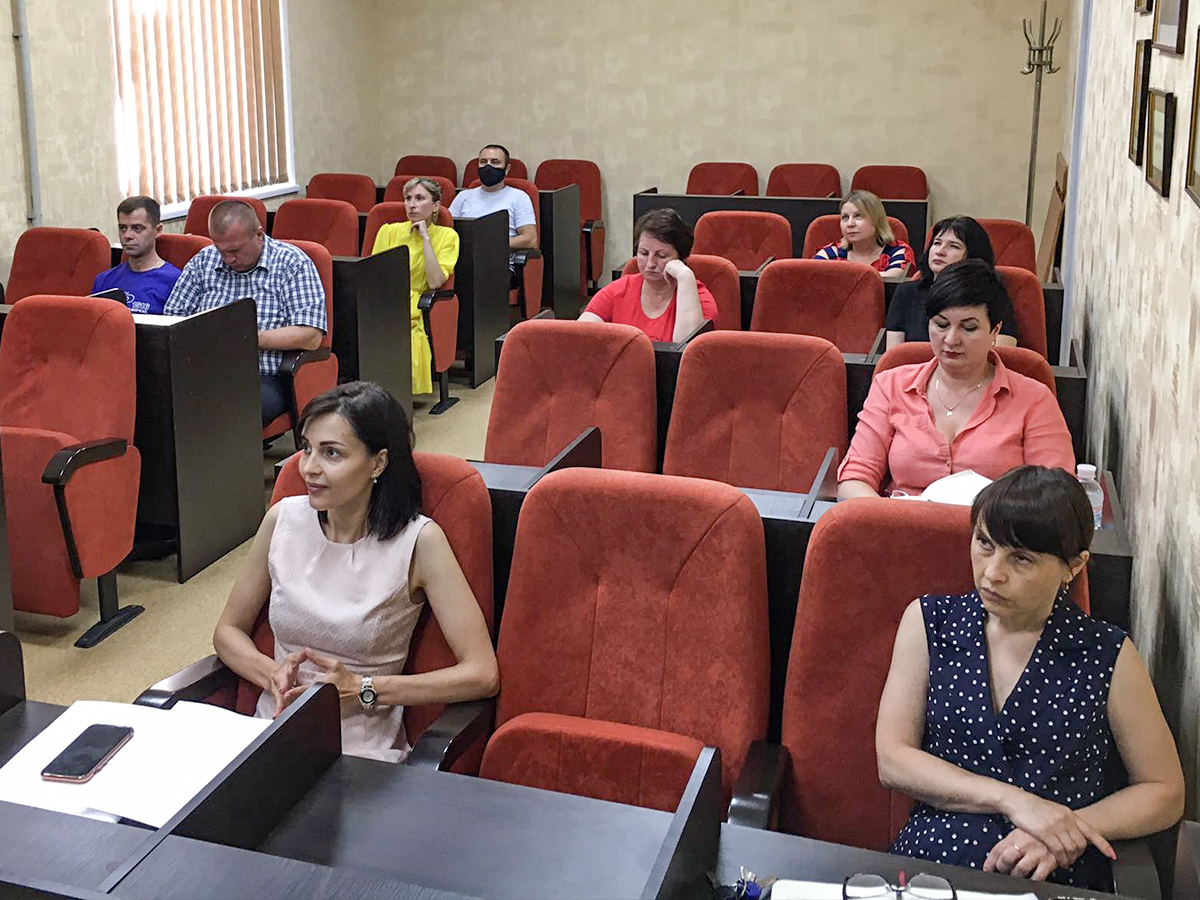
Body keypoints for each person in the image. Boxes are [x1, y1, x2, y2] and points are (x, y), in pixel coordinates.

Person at [876, 466, 1184, 888]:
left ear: (1073, 567)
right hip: (934, 861)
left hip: (1052, 870)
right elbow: (893, 759)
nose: (992, 573)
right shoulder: (931, 622)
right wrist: (1013, 801)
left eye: (1020, 558)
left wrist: (1067, 829)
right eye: (985, 543)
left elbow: (1165, 790)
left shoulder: (1107, 653)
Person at [212, 381, 499, 762]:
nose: (309, 468)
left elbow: (482, 673)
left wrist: (364, 689)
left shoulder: (419, 542)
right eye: (306, 448)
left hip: (362, 755)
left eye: (331, 453)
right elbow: (227, 631)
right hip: (270, 733)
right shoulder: (283, 520)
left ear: (377, 463)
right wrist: (272, 674)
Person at [837, 260, 1072, 499]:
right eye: (941, 325)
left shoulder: (1034, 398)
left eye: (968, 328)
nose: (951, 339)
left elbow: (1055, 495)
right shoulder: (891, 385)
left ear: (995, 331)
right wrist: (888, 518)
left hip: (996, 521)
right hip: (900, 519)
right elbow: (854, 479)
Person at [165, 199, 327, 426]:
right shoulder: (204, 261)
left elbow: (310, 335)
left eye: (235, 250)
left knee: (219, 409)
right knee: (159, 402)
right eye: (221, 250)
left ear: (259, 235)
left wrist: (246, 339)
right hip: (202, 369)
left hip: (262, 376)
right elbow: (171, 319)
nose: (228, 259)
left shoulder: (292, 263)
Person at [370, 177, 460, 396]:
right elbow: (374, 274)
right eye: (408, 198)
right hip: (385, 299)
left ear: (436, 206)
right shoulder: (388, 231)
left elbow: (435, 282)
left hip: (417, 301)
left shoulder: (447, 236)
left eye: (420, 198)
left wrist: (425, 238)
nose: (412, 205)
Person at [578, 208, 717, 342]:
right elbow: (578, 336)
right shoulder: (619, 290)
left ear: (680, 258)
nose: (650, 264)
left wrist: (685, 276)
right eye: (643, 253)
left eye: (661, 255)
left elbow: (686, 349)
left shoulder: (700, 301)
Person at [886, 216, 1018, 350]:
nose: (940, 251)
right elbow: (894, 355)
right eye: (937, 243)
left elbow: (1002, 352)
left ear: (972, 255)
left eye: (954, 246)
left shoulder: (992, 294)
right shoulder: (907, 292)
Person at [448, 144, 536, 275]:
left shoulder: (519, 197)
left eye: (495, 162)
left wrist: (490, 243)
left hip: (498, 267)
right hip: (462, 262)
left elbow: (530, 239)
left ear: (507, 169)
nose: (488, 167)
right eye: (483, 162)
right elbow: (446, 229)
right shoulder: (464, 196)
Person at [91, 196, 181, 315]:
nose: (127, 235)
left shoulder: (176, 282)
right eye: (122, 228)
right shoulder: (104, 280)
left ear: (158, 230)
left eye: (137, 228)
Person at [813, 189, 915, 281]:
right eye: (845, 217)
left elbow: (891, 280)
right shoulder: (830, 253)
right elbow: (811, 277)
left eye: (858, 216)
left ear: (876, 220)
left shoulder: (898, 252)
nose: (850, 224)